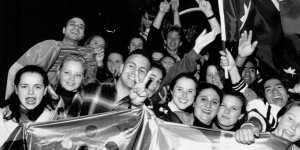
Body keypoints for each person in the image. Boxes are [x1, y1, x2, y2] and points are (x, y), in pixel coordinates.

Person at [6, 17, 88, 99]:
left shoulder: (86, 55)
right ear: (64, 30)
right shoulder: (50, 46)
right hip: (42, 101)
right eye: (72, 24)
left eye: (81, 27)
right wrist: (9, 101)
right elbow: (15, 70)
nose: (76, 28)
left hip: (71, 104)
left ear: (83, 34)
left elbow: (89, 83)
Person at [0, 65, 56, 146]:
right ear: (16, 89)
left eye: (37, 87)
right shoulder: (1, 117)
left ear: (45, 91)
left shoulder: (53, 120)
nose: (31, 92)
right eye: (24, 86)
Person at [53, 54, 86, 119]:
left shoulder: (86, 102)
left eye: (77, 75)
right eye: (67, 72)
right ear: (58, 72)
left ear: (83, 78)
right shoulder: (45, 97)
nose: (71, 79)